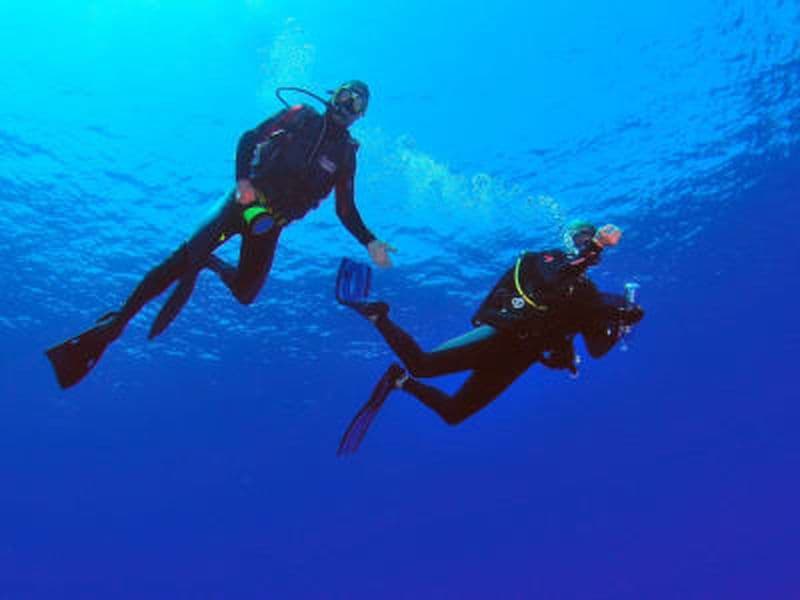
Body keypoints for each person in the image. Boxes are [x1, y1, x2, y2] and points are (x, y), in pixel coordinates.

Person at [46, 80, 395, 389]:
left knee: (246, 293)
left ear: (360, 116)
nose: (348, 106)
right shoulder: (300, 115)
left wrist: (370, 241)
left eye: (357, 105)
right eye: (347, 97)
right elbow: (249, 138)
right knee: (181, 262)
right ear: (334, 95)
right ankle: (117, 322)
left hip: (270, 224)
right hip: (244, 201)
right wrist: (243, 182)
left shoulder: (346, 156)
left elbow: (345, 209)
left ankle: (209, 262)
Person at [335, 221, 644, 454]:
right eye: (580, 239)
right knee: (424, 365)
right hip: (504, 332)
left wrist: (619, 323)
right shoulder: (547, 259)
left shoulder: (588, 294)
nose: (583, 243)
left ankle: (399, 380)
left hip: (517, 360)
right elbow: (553, 279)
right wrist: (596, 247)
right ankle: (379, 316)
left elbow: (597, 349)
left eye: (587, 239)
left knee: (454, 413)